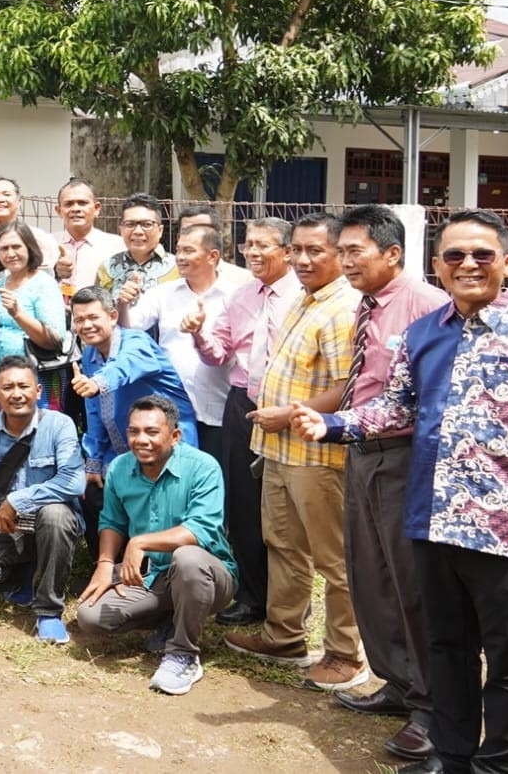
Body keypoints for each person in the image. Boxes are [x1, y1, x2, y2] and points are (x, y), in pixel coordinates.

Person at [293, 209, 508, 774]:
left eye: (482, 255)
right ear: (438, 265)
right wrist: (334, 424)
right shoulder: (422, 334)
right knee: (446, 648)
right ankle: (451, 754)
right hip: (432, 518)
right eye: (455, 255)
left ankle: (501, 766)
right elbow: (397, 407)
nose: (468, 265)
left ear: (507, 263)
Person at [319, 205, 450, 763]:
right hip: (362, 453)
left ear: (392, 252)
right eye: (341, 251)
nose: (345, 261)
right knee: (370, 577)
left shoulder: (426, 305)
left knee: (410, 584)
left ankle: (433, 707)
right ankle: (398, 683)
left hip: (405, 457)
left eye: (355, 251)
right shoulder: (368, 304)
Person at [225, 212, 365, 692]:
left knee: (333, 558)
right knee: (283, 545)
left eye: (315, 251)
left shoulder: (341, 308)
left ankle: (345, 655)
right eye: (298, 250)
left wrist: (289, 414)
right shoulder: (305, 300)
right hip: (278, 451)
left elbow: (346, 389)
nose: (303, 259)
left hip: (316, 456)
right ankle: (284, 637)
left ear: (338, 254)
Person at [75, 396, 237, 695]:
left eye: (152, 431)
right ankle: (171, 620)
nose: (141, 440)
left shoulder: (203, 467)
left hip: (207, 575)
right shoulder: (120, 467)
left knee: (188, 558)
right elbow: (112, 521)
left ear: (175, 436)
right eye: (134, 431)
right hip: (151, 575)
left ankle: (184, 654)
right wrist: (105, 564)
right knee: (89, 615)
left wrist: (140, 542)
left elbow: (201, 529)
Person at [185, 217, 300, 627]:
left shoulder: (305, 297)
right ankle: (253, 596)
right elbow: (219, 353)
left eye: (262, 245)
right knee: (244, 504)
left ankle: (290, 601)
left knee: (288, 507)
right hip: (243, 406)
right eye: (248, 244)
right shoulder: (240, 297)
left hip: (291, 408)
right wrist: (200, 335)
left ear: (287, 251)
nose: (252, 252)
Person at [0, 354, 83, 645]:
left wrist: (17, 501)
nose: (17, 394)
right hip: (6, 526)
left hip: (52, 523)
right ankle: (24, 575)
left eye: (23, 386)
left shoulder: (60, 425)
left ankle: (48, 611)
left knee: (56, 515)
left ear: (38, 391)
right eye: (8, 387)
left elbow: (74, 482)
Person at [119, 224, 240, 460]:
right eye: (178, 250)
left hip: (218, 406)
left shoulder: (235, 296)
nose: (180, 257)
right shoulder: (162, 294)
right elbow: (128, 329)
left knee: (214, 472)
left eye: (189, 251)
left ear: (212, 256)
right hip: (173, 408)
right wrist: (123, 304)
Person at [70, 286, 199, 476]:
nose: (87, 325)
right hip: (127, 452)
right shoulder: (90, 354)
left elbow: (123, 366)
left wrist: (97, 383)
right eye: (79, 320)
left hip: (171, 448)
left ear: (113, 316)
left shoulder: (137, 341)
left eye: (93, 317)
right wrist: (94, 460)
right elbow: (94, 411)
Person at [0, 221, 68, 412]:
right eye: (4, 248)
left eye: (16, 246)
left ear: (29, 248)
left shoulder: (44, 284)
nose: (10, 253)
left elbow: (54, 339)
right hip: (3, 379)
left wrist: (18, 314)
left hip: (39, 378)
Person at [96, 193, 179, 305]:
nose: (138, 231)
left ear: (160, 230)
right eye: (130, 224)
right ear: (121, 230)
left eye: (147, 224)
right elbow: (98, 308)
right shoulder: (108, 267)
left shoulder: (178, 267)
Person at [51, 178, 124, 291]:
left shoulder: (116, 246)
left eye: (82, 203)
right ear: (59, 211)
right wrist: (54, 271)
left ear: (97, 208)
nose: (75, 209)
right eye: (68, 204)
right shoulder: (46, 244)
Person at [175, 205, 252, 288]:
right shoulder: (169, 277)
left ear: (218, 235)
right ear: (179, 237)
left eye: (203, 231)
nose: (194, 235)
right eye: (187, 231)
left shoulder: (242, 280)